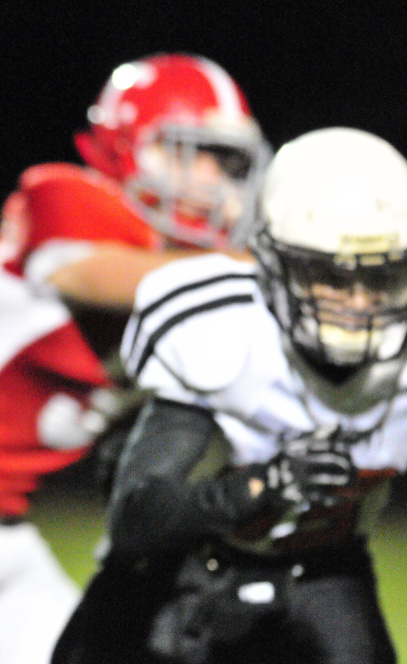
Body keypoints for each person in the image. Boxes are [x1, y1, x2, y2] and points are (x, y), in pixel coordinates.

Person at [0, 53, 270, 664]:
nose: (214, 180)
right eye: (198, 153)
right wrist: (278, 271)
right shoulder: (67, 196)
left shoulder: (195, 273)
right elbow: (107, 277)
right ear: (129, 144)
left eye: (229, 163)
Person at [51, 126, 407, 664]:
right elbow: (137, 518)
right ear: (272, 263)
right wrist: (265, 485)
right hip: (183, 569)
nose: (357, 302)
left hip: (324, 570)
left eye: (382, 278)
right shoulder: (220, 327)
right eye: (328, 276)